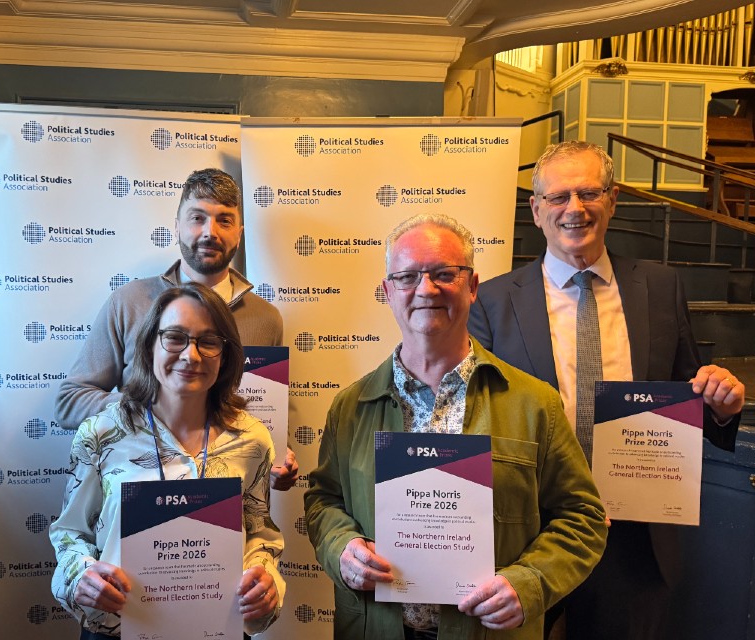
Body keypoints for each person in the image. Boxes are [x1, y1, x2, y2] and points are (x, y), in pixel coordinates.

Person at [468, 140, 746, 640]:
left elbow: (686, 401)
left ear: (612, 200)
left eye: (588, 192)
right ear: (536, 210)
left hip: (636, 536)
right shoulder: (492, 301)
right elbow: (477, 419)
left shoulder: (662, 287)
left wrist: (721, 408)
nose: (574, 208)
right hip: (530, 533)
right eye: (558, 197)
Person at [304, 213, 608, 640]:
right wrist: (341, 549)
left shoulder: (535, 404)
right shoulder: (350, 406)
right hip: (376, 628)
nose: (426, 290)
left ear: (472, 286)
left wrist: (531, 582)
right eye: (407, 277)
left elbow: (583, 517)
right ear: (388, 292)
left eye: (444, 274)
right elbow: (323, 499)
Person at [50, 283, 285, 639]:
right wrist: (79, 576)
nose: (191, 356)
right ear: (149, 345)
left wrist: (264, 577)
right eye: (175, 337)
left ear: (225, 355)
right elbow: (71, 533)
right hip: (117, 630)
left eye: (208, 341)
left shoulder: (253, 440)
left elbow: (260, 535)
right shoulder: (99, 435)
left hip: (217, 629)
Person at [55, 168, 298, 490]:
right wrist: (146, 409)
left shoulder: (266, 318)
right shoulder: (129, 303)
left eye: (224, 220)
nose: (210, 232)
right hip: (139, 491)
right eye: (197, 218)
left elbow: (268, 416)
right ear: (177, 227)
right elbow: (70, 402)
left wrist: (278, 456)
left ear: (239, 233)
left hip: (227, 507)